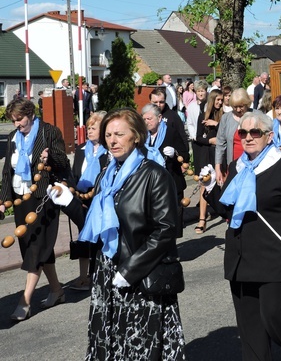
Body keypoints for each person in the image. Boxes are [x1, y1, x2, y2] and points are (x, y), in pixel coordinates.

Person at [49, 108, 186, 359]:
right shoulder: (107, 174)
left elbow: (165, 230)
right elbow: (96, 224)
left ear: (136, 136)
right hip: (106, 271)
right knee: (109, 342)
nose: (112, 140)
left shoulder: (155, 175)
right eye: (108, 135)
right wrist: (69, 202)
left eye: (119, 134)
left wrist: (130, 270)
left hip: (140, 272)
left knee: (139, 345)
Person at [203, 112, 281, 361]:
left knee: (274, 315)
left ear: (269, 136)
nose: (248, 137)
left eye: (255, 132)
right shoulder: (236, 166)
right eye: (243, 133)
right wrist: (210, 189)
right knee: (250, 326)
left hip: (273, 254)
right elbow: (226, 209)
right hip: (240, 256)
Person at [1, 99, 72, 321]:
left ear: (30, 114)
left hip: (44, 197)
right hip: (21, 198)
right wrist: (3, 201)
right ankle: (56, 290)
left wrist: (49, 156)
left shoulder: (48, 132)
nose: (16, 125)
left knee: (36, 247)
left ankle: (25, 301)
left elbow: (63, 163)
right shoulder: (13, 137)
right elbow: (6, 171)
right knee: (35, 246)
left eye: (19, 119)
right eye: (13, 121)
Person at [68, 110, 108, 291]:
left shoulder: (108, 152)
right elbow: (74, 175)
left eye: (94, 128)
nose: (90, 131)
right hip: (82, 200)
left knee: (99, 239)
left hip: (99, 200)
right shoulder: (81, 150)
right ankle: (83, 276)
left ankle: (97, 274)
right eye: (89, 127)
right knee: (83, 237)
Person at [141, 102, 190, 236]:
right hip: (151, 183)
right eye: (144, 119)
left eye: (149, 119)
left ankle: (171, 250)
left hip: (171, 181)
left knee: (171, 219)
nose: (146, 122)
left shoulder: (170, 132)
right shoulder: (143, 137)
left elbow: (185, 155)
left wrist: (175, 154)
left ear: (159, 118)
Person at [214, 88, 259, 185]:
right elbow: (220, 144)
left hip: (254, 164)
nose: (238, 110)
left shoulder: (257, 115)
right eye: (235, 107)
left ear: (247, 103)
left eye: (241, 106)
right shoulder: (226, 118)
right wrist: (218, 168)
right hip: (233, 164)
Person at [194, 89, 223, 233]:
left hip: (220, 154)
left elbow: (227, 133)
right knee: (205, 184)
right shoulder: (202, 117)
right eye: (217, 100)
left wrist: (216, 124)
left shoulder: (224, 117)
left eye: (221, 100)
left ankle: (223, 211)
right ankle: (202, 219)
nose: (220, 102)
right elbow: (197, 137)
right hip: (207, 153)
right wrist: (209, 140)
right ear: (212, 100)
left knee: (221, 183)